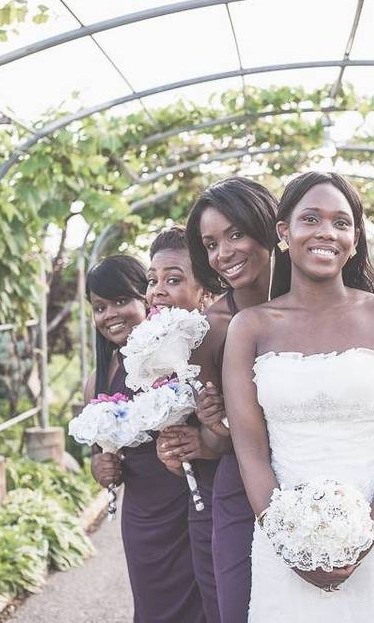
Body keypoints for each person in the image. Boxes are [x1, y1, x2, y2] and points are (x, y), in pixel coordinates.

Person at [222, 171, 374, 621]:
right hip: (284, 544)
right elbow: (251, 452)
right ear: (284, 233)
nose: (327, 232)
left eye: (342, 223)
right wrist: (289, 541)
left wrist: (361, 540)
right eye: (311, 219)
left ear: (355, 239)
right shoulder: (250, 328)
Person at [84, 254, 204, 623]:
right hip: (142, 517)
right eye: (100, 307)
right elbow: (98, 457)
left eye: (122, 301)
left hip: (188, 506)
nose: (111, 314)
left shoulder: (180, 355)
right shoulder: (99, 378)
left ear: (146, 298)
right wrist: (101, 467)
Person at [184, 177, 279, 623]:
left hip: (325, 479)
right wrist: (213, 424)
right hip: (241, 496)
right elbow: (217, 443)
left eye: (235, 234)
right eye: (210, 243)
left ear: (269, 227)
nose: (223, 253)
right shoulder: (212, 327)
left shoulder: (325, 303)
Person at [147, 227, 221, 623]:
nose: (157, 291)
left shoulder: (224, 338)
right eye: (152, 280)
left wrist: (209, 442)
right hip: (197, 503)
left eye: (172, 280)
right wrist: (171, 448)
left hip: (237, 500)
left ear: (206, 292)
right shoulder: (160, 353)